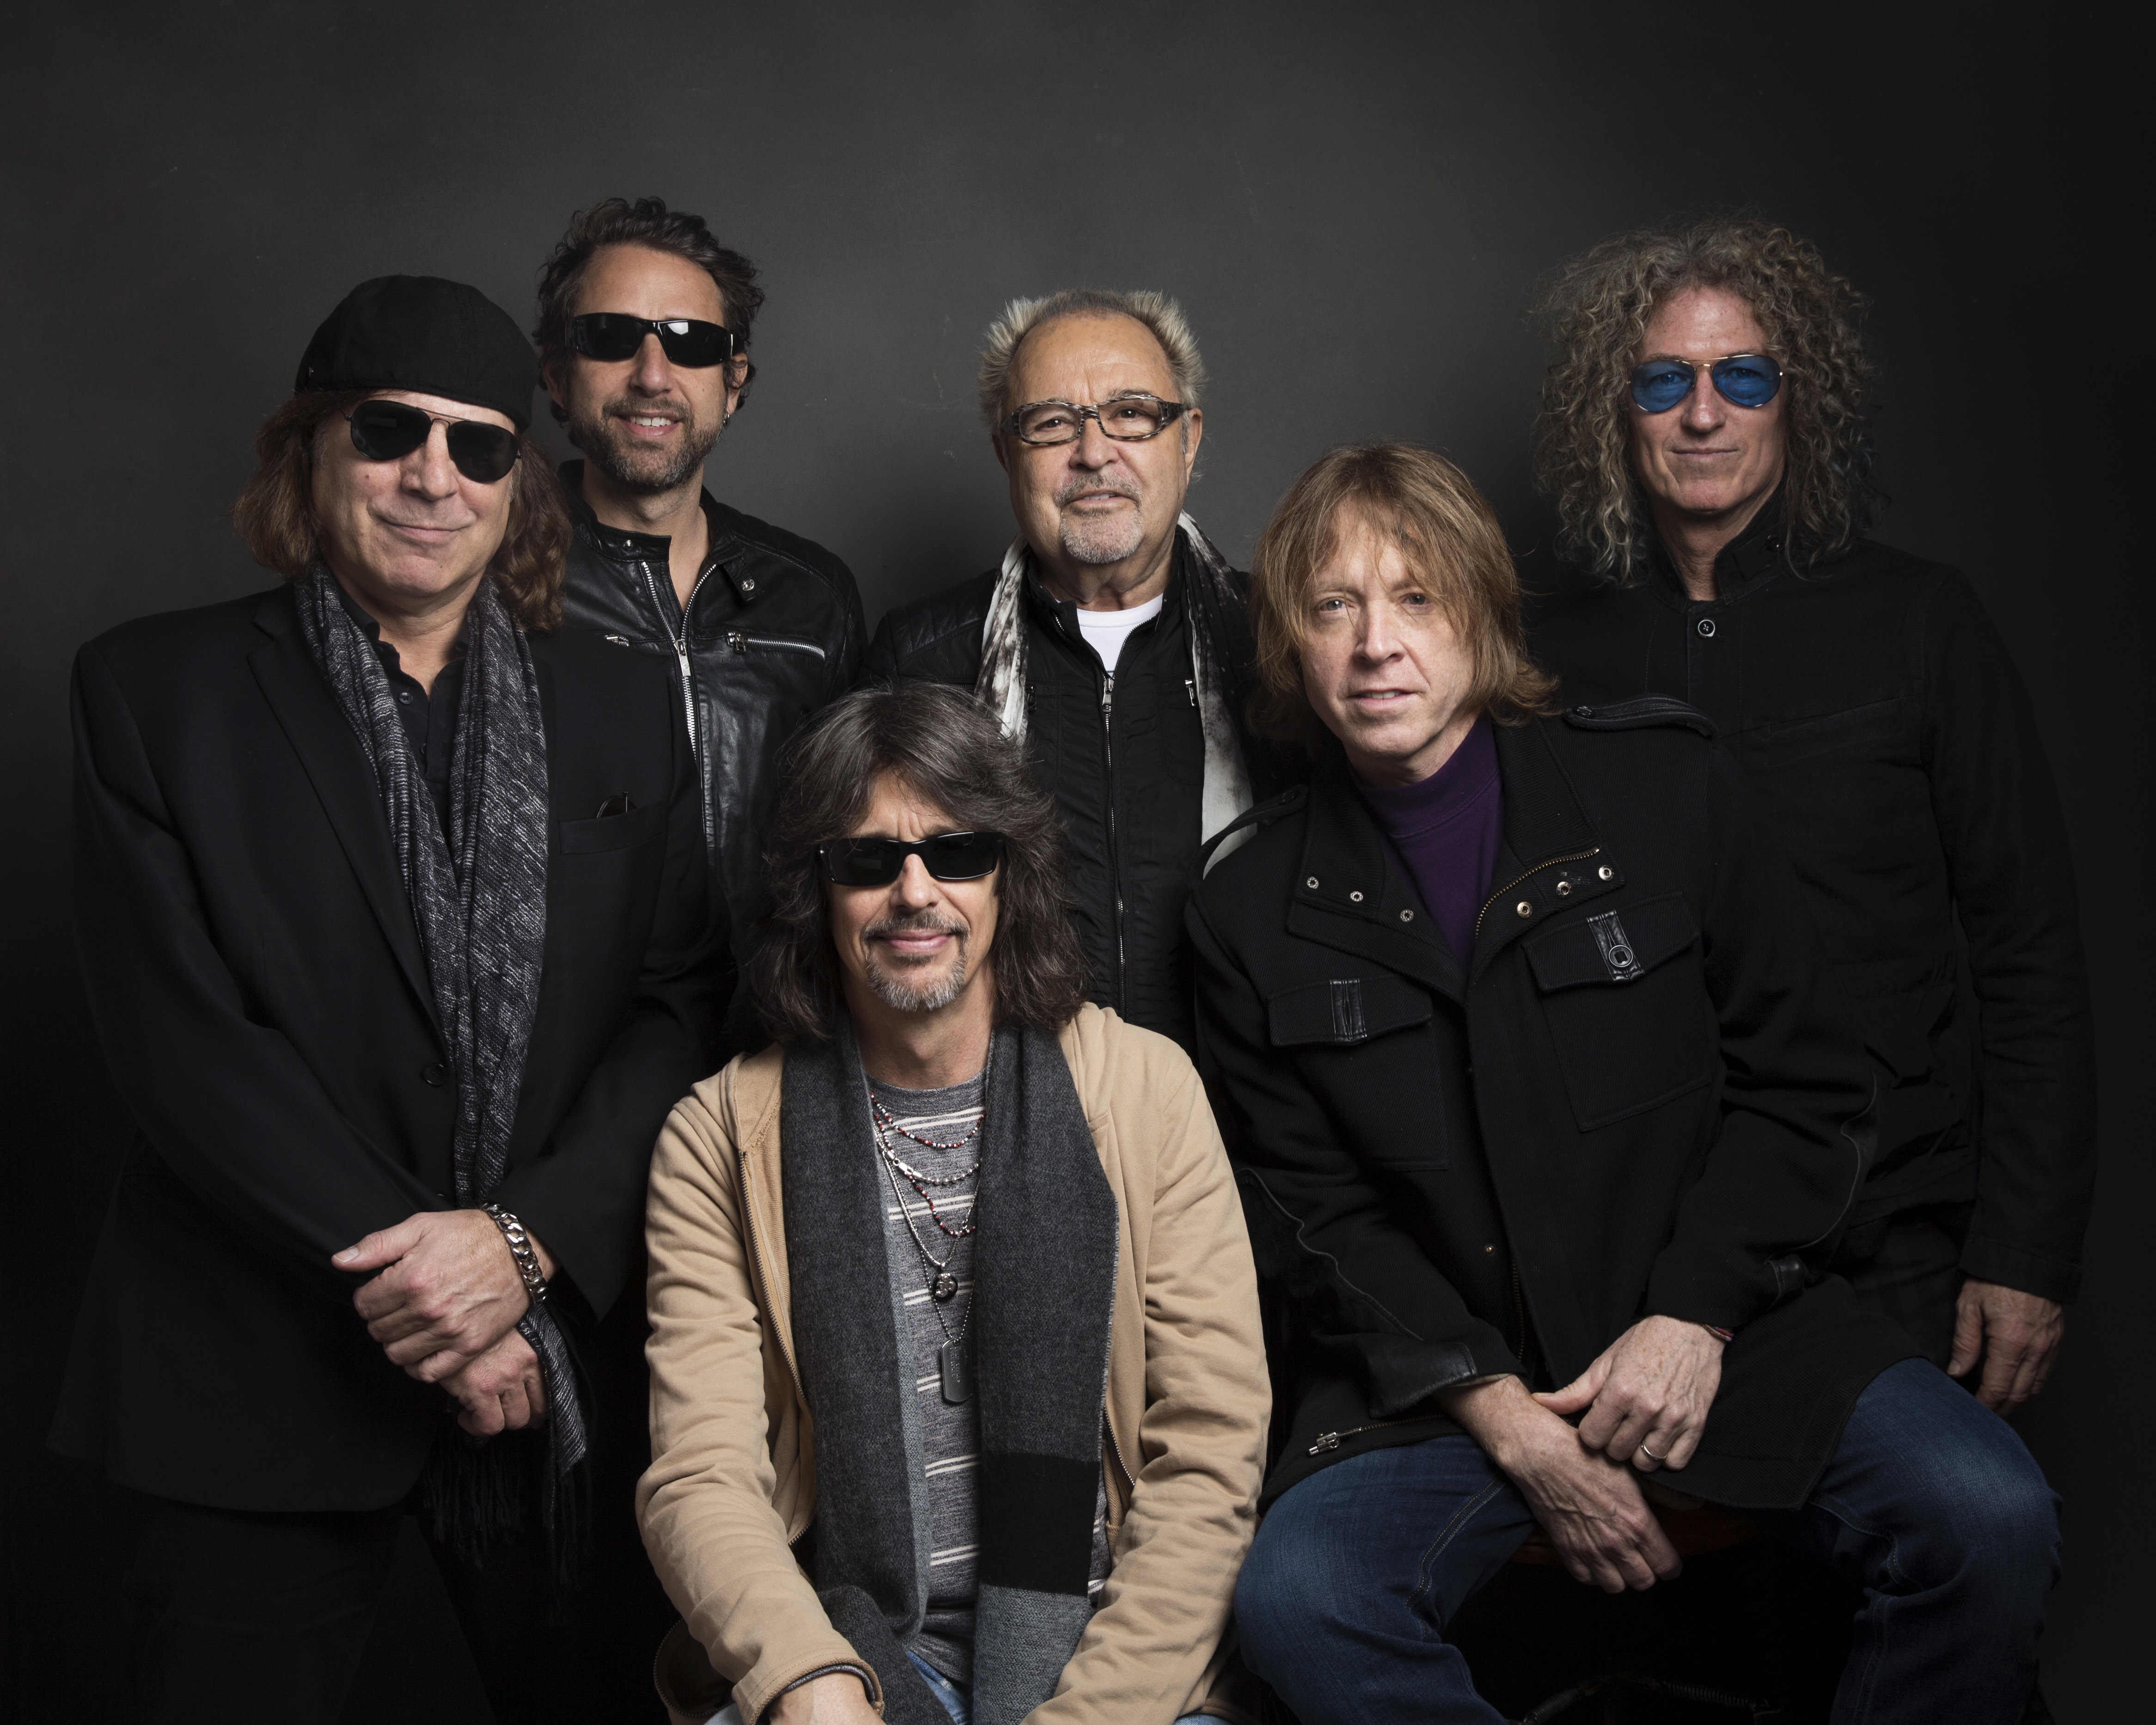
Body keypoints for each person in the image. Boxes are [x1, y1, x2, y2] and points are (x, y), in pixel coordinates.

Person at [1190, 444, 2059, 1724]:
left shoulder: (1662, 785)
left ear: (1481, 617)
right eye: (1334, 606)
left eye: (1416, 598)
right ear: (1290, 646)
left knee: (1989, 1513)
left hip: (1731, 1331)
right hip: (1457, 1384)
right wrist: (1506, 1420)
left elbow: (1807, 1082)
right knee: (1299, 1597)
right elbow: (1313, 1220)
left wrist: (1693, 1316)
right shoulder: (1247, 905)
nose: (1377, 643)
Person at [52, 275, 730, 1724]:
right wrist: (447, 1290)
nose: (436, 476)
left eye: (481, 445)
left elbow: (676, 1004)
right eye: (390, 433)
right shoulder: (153, 694)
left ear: (519, 487)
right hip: (256, 1380)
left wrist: (527, 1248)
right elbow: (185, 1050)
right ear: (310, 450)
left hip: (561, 1390)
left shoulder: (622, 706)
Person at [1528, 217, 2093, 1410]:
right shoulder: (1544, 651)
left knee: (1941, 1533)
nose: (1702, 414)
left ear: (1796, 399)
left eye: (1742, 377)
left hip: (1893, 1231)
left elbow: (2027, 954)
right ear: (1613, 410)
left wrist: (2022, 1252)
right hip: (1632, 1247)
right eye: (1661, 381)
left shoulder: (1921, 620)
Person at [638, 682, 1269, 1725]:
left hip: (1119, 1665)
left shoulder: (1144, 1093)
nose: (915, 894)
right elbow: (699, 1478)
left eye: (957, 853)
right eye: (867, 861)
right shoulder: (718, 1139)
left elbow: (1208, 1455)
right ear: (817, 889)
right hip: (859, 1653)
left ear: (1007, 876)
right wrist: (806, 1677)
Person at [862, 289, 1288, 1053]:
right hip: (1016, 1111)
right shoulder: (919, 661)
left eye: (1130, 414)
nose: (1093, 454)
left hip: (1255, 1114)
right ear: (1004, 452)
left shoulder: (1283, 645)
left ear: (1186, 438)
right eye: (1052, 423)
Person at [537, 195, 865, 980]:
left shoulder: (812, 597)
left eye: (689, 344)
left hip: (786, 1050)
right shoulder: (494, 581)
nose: (653, 376)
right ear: (555, 374)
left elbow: (863, 842)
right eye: (613, 338)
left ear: (733, 378)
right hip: (578, 1069)